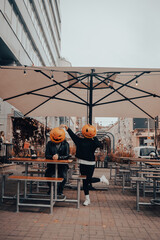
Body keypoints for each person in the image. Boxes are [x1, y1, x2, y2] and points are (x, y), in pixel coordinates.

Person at [60, 124, 109, 206]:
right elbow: (72, 136)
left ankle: (101, 179)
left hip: (90, 164)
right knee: (84, 182)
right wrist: (67, 128)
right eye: (87, 131)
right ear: (83, 132)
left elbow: (99, 144)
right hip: (82, 163)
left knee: (88, 180)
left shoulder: (94, 141)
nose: (89, 132)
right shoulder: (80, 140)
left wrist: (94, 135)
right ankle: (87, 199)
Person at [45, 127, 70, 200]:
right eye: (54, 136)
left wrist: (59, 157)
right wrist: (52, 157)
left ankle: (60, 190)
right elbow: (46, 155)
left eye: (59, 136)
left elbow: (67, 155)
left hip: (63, 165)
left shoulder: (66, 144)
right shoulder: (49, 144)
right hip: (52, 165)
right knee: (48, 175)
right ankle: (51, 189)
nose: (56, 138)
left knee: (63, 177)